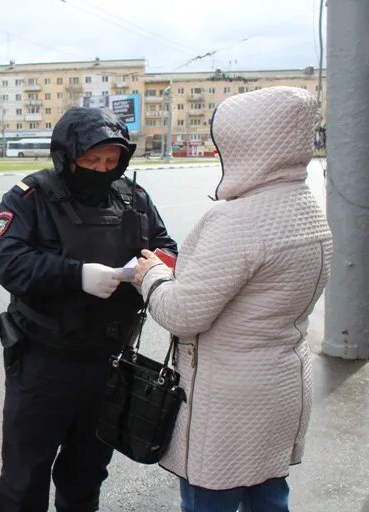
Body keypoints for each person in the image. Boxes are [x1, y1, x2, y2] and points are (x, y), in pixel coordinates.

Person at [134, 86, 333, 512]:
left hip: (227, 401)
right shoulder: (307, 207)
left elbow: (182, 313)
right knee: (268, 495)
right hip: (282, 386)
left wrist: (151, 275)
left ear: (241, 142)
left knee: (211, 499)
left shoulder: (238, 219)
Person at [0, 106, 177, 512]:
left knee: (87, 472)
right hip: (43, 359)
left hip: (108, 361)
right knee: (25, 475)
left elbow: (167, 249)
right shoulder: (31, 197)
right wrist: (77, 275)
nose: (102, 168)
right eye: (91, 160)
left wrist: (146, 271)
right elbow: (6, 260)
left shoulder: (134, 198)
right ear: (66, 156)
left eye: (111, 160)